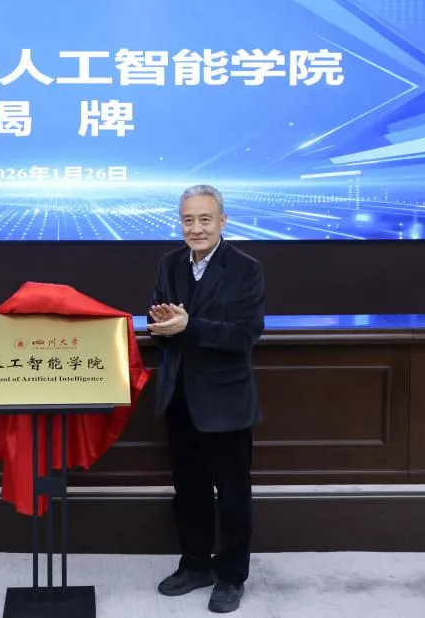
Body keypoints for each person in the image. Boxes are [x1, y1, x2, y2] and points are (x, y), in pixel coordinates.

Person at [147, 184, 266, 614]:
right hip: (179, 396)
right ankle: (195, 564)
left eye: (204, 219)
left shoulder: (246, 268)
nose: (195, 228)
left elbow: (245, 334)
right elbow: (158, 316)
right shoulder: (170, 262)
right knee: (189, 490)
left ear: (222, 221)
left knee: (232, 495)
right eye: (188, 220)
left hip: (225, 400)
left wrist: (189, 326)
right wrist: (160, 325)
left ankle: (231, 575)